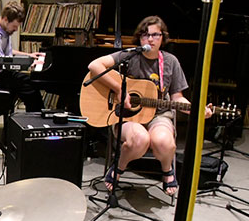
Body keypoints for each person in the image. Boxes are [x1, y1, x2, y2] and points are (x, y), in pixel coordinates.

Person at [88, 15, 213, 196]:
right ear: (139, 38)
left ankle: (167, 170)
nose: (150, 39)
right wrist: (119, 90)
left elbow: (177, 98)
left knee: (163, 142)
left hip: (159, 116)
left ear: (163, 38)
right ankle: (119, 167)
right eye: (145, 35)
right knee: (140, 139)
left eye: (155, 35)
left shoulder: (171, 62)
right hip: (128, 116)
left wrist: (196, 110)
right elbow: (94, 65)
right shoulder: (130, 56)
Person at [0, 1, 45, 112]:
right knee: (28, 88)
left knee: (31, 83)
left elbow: (8, 53)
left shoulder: (1, 26)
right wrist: (28, 64)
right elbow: (3, 64)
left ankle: (36, 117)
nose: (15, 29)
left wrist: (28, 55)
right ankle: (36, 118)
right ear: (6, 19)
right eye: (14, 26)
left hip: (2, 71)